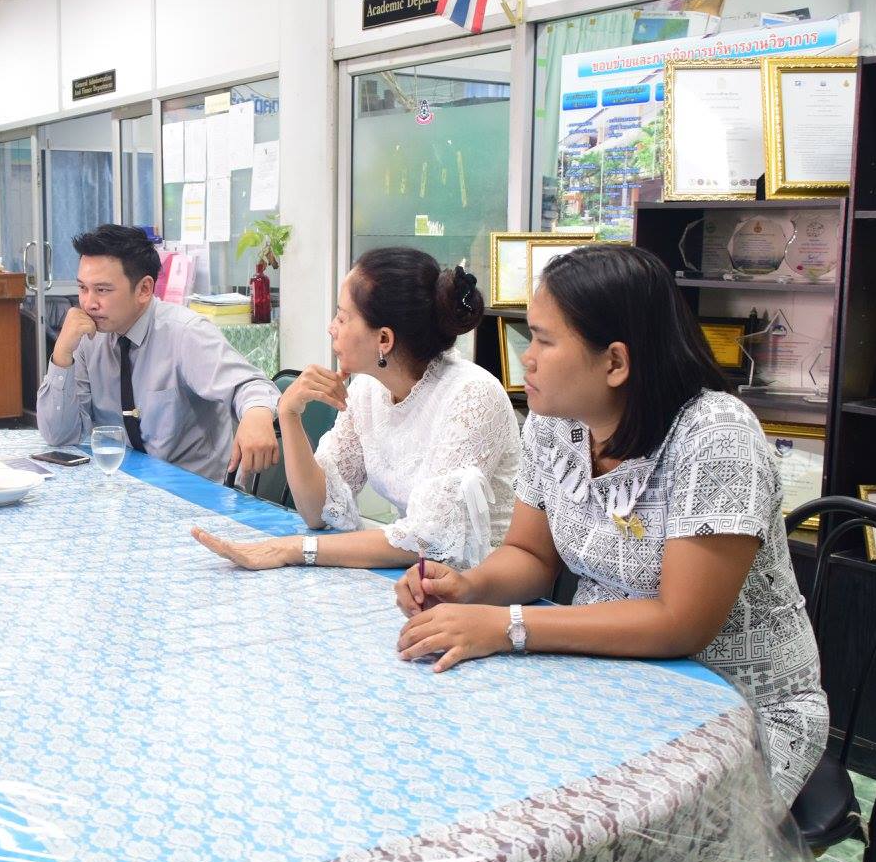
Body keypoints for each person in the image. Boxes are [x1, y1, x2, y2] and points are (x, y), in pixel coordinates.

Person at [393, 245, 826, 803]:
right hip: (606, 676)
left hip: (734, 710)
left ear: (615, 363)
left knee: (584, 818)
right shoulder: (555, 423)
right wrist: (467, 587)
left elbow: (680, 624)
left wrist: (507, 627)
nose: (527, 358)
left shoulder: (716, 436)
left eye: (544, 341)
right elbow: (531, 555)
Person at [192, 248, 520, 570]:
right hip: (419, 575)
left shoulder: (472, 396)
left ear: (384, 339)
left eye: (342, 317)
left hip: (486, 583)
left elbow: (427, 537)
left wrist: (292, 549)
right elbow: (318, 512)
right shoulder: (368, 389)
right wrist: (289, 415)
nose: (331, 327)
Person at [36, 224, 279, 483]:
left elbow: (251, 385)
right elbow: (59, 436)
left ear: (144, 289)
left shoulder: (185, 333)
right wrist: (62, 354)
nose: (88, 303)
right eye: (83, 288)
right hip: (124, 484)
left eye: (102, 290)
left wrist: (256, 413)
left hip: (193, 492)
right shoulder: (88, 336)